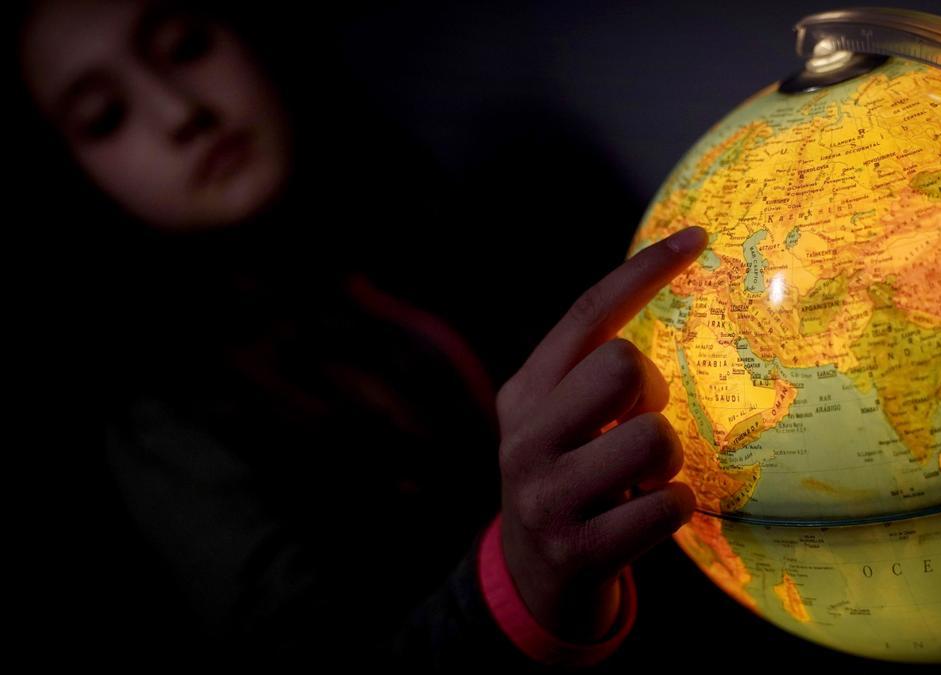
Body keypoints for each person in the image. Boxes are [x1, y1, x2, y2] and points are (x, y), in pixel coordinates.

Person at [16, 0, 705, 668]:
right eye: (104, 117)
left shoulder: (477, 207)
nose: (179, 112)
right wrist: (521, 584)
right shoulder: (165, 427)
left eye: (185, 46)